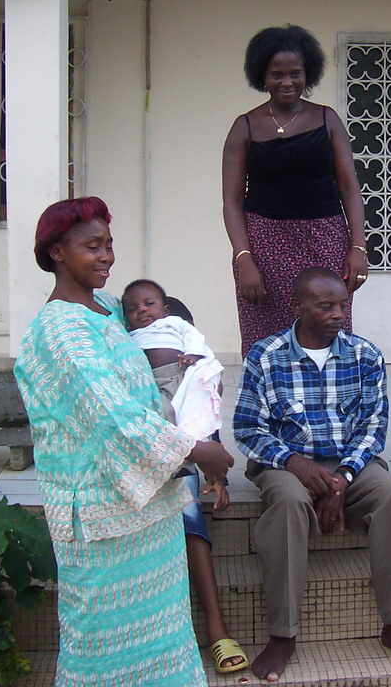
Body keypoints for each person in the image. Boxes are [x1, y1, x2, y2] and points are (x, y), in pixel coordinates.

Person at [13, 197, 234, 686]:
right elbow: (111, 416)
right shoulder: (60, 330)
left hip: (149, 511)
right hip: (100, 521)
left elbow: (153, 362)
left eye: (109, 245)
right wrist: (199, 451)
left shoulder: (110, 310)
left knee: (163, 642)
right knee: (99, 650)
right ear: (55, 251)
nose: (106, 256)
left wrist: (192, 373)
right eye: (92, 246)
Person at [233, 267, 391, 681]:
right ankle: (283, 634)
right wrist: (296, 463)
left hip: (350, 464)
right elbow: (246, 429)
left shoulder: (365, 355)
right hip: (285, 464)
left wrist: (342, 479)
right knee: (291, 502)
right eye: (325, 306)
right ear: (297, 307)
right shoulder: (265, 355)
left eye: (342, 305)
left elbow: (373, 428)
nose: (337, 315)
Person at [121, 279, 248, 674]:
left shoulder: (190, 366)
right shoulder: (129, 357)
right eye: (136, 309)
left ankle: (216, 627)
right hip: (143, 459)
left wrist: (220, 479)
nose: (145, 313)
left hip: (184, 463)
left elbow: (205, 424)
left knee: (191, 517)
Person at [222, 24, 368, 357]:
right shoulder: (244, 126)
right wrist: (244, 259)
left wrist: (358, 246)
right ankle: (272, 406)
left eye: (295, 74)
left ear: (308, 74)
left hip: (325, 240)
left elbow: (349, 187)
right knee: (266, 340)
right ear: (262, 75)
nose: (287, 82)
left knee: (329, 328)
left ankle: (330, 401)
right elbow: (231, 202)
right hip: (263, 247)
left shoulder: (327, 120)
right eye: (277, 74)